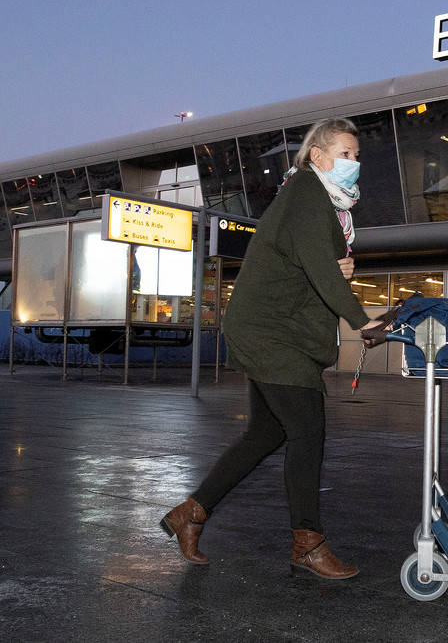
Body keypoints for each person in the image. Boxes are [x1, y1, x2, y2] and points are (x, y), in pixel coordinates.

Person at [160, 118, 381, 579]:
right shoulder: (306, 191)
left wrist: (336, 275)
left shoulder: (324, 203)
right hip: (270, 332)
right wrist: (364, 320)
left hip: (277, 329)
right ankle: (308, 542)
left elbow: (310, 266)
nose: (352, 163)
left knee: (266, 433)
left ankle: (191, 514)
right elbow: (320, 267)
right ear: (317, 156)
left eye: (357, 156)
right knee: (307, 429)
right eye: (344, 153)